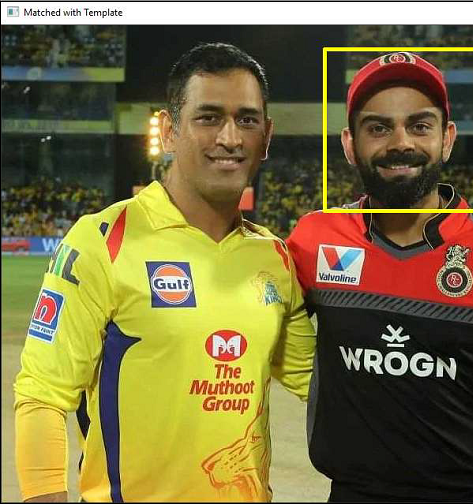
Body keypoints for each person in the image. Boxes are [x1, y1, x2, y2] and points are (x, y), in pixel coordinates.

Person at [14, 42, 315, 503]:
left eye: (247, 120)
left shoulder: (273, 256)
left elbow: (321, 384)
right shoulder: (103, 240)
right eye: (208, 117)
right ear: (169, 131)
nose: (230, 138)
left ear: (267, 136)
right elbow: (42, 394)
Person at [286, 52, 473, 502]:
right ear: (349, 144)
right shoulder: (314, 240)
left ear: (447, 139)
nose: (400, 143)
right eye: (378, 128)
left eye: (420, 126)